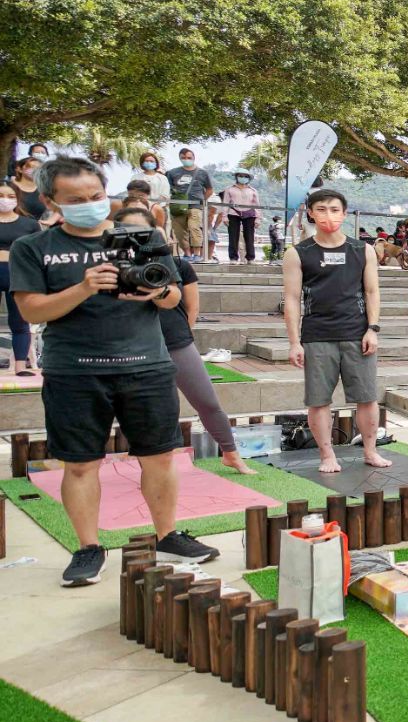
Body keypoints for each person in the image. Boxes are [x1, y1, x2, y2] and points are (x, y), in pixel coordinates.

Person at [10, 158, 221, 585]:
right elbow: (30, 308)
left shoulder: (139, 237)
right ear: (51, 200)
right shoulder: (34, 247)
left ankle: (168, 535)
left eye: (95, 196)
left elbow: (172, 296)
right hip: (74, 370)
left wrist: (157, 290)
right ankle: (88, 547)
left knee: (161, 457)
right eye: (76, 200)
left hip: (147, 366)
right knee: (81, 464)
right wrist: (84, 286)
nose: (90, 205)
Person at [285, 189, 392, 477]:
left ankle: (370, 450)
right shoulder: (298, 253)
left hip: (357, 334)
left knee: (367, 396)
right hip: (317, 335)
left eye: (334, 209)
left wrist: (373, 328)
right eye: (321, 209)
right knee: (318, 399)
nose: (328, 215)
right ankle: (327, 453)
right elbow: (292, 299)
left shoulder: (362, 250)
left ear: (344, 214)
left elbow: (371, 291)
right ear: (310, 212)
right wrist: (294, 342)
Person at [151, 207, 253, 476]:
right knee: (155, 409)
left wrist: (183, 334)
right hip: (137, 346)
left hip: (176, 342)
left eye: (154, 235)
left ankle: (231, 454)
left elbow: (191, 308)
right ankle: (154, 465)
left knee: (207, 401)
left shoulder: (181, 266)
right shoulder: (118, 272)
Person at [0, 182, 36, 374]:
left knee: (20, 321)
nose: (5, 200)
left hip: (17, 272)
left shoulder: (28, 223)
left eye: (10, 196)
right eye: (1, 195)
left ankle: (21, 365)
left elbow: (38, 250)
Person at [164, 148, 212, 261]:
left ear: (194, 158)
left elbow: (209, 189)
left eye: (189, 158)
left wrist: (202, 201)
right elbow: (168, 189)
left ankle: (197, 254)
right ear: (180, 158)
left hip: (195, 206)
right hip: (178, 206)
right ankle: (187, 254)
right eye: (183, 158)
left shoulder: (202, 173)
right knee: (179, 232)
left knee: (194, 228)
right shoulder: (172, 173)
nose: (186, 160)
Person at [221, 171, 260, 263]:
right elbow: (226, 203)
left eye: (245, 176)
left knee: (249, 236)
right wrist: (224, 216)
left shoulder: (253, 190)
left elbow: (257, 205)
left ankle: (250, 257)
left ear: (248, 178)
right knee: (233, 236)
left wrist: (258, 218)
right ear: (236, 177)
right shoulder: (229, 189)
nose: (243, 178)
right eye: (240, 176)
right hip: (233, 213)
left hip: (249, 214)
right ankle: (233, 257)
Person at [10, 154, 46, 225]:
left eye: (38, 168)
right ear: (19, 169)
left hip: (33, 230)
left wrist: (51, 220)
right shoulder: (7, 186)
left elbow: (59, 206)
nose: (35, 170)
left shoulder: (44, 189)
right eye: (31, 167)